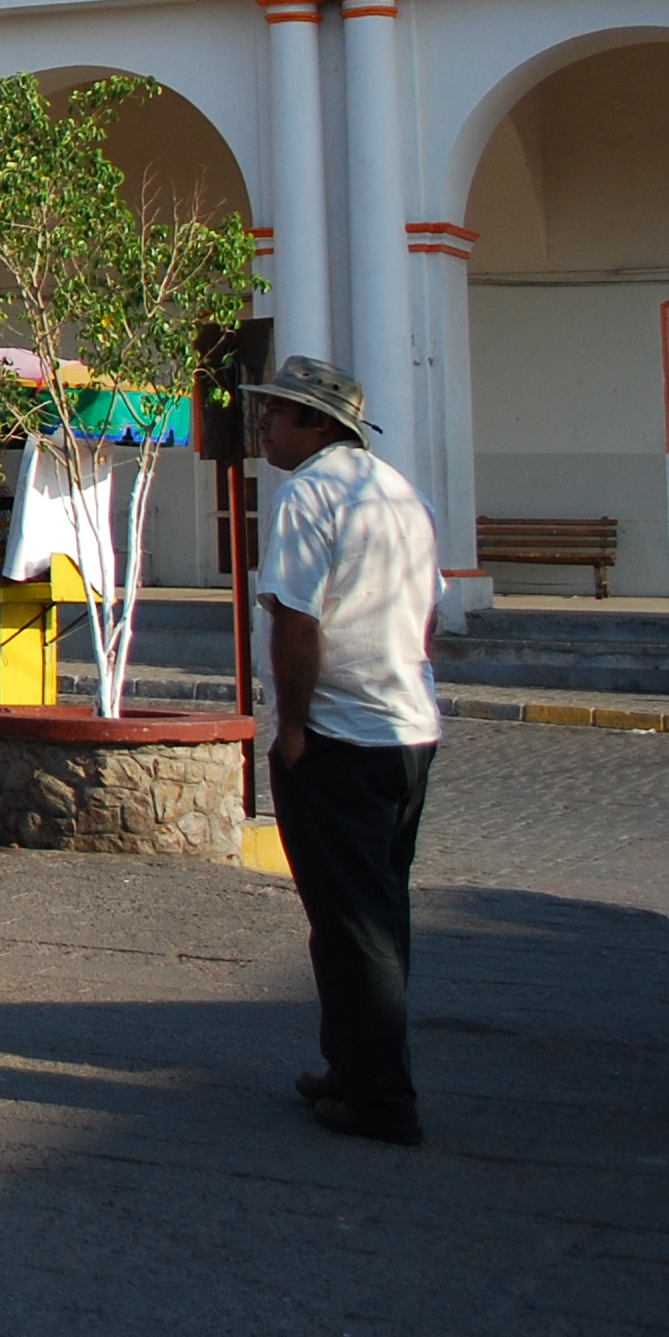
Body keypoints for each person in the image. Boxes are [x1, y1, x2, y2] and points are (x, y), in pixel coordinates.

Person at [250, 354, 443, 1148]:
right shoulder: (400, 493)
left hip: (341, 734)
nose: (264, 424)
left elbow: (297, 624)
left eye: (279, 413)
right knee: (371, 911)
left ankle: (380, 1097)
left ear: (319, 425)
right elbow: (426, 616)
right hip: (408, 729)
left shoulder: (310, 495)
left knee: (351, 919)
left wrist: (293, 727)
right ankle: (351, 1064)